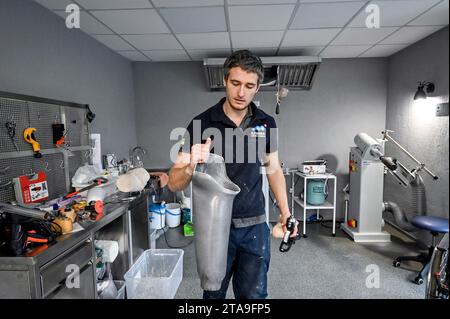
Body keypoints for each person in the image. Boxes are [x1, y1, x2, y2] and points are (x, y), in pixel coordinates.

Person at [167, 50, 297, 299]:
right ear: (225, 81)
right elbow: (174, 183)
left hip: (255, 225)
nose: (241, 93)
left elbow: (274, 169)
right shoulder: (201, 123)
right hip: (214, 226)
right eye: (235, 83)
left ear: (257, 87)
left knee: (253, 297)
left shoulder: (266, 123)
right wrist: (191, 163)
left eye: (249, 86)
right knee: (213, 294)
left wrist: (285, 212)